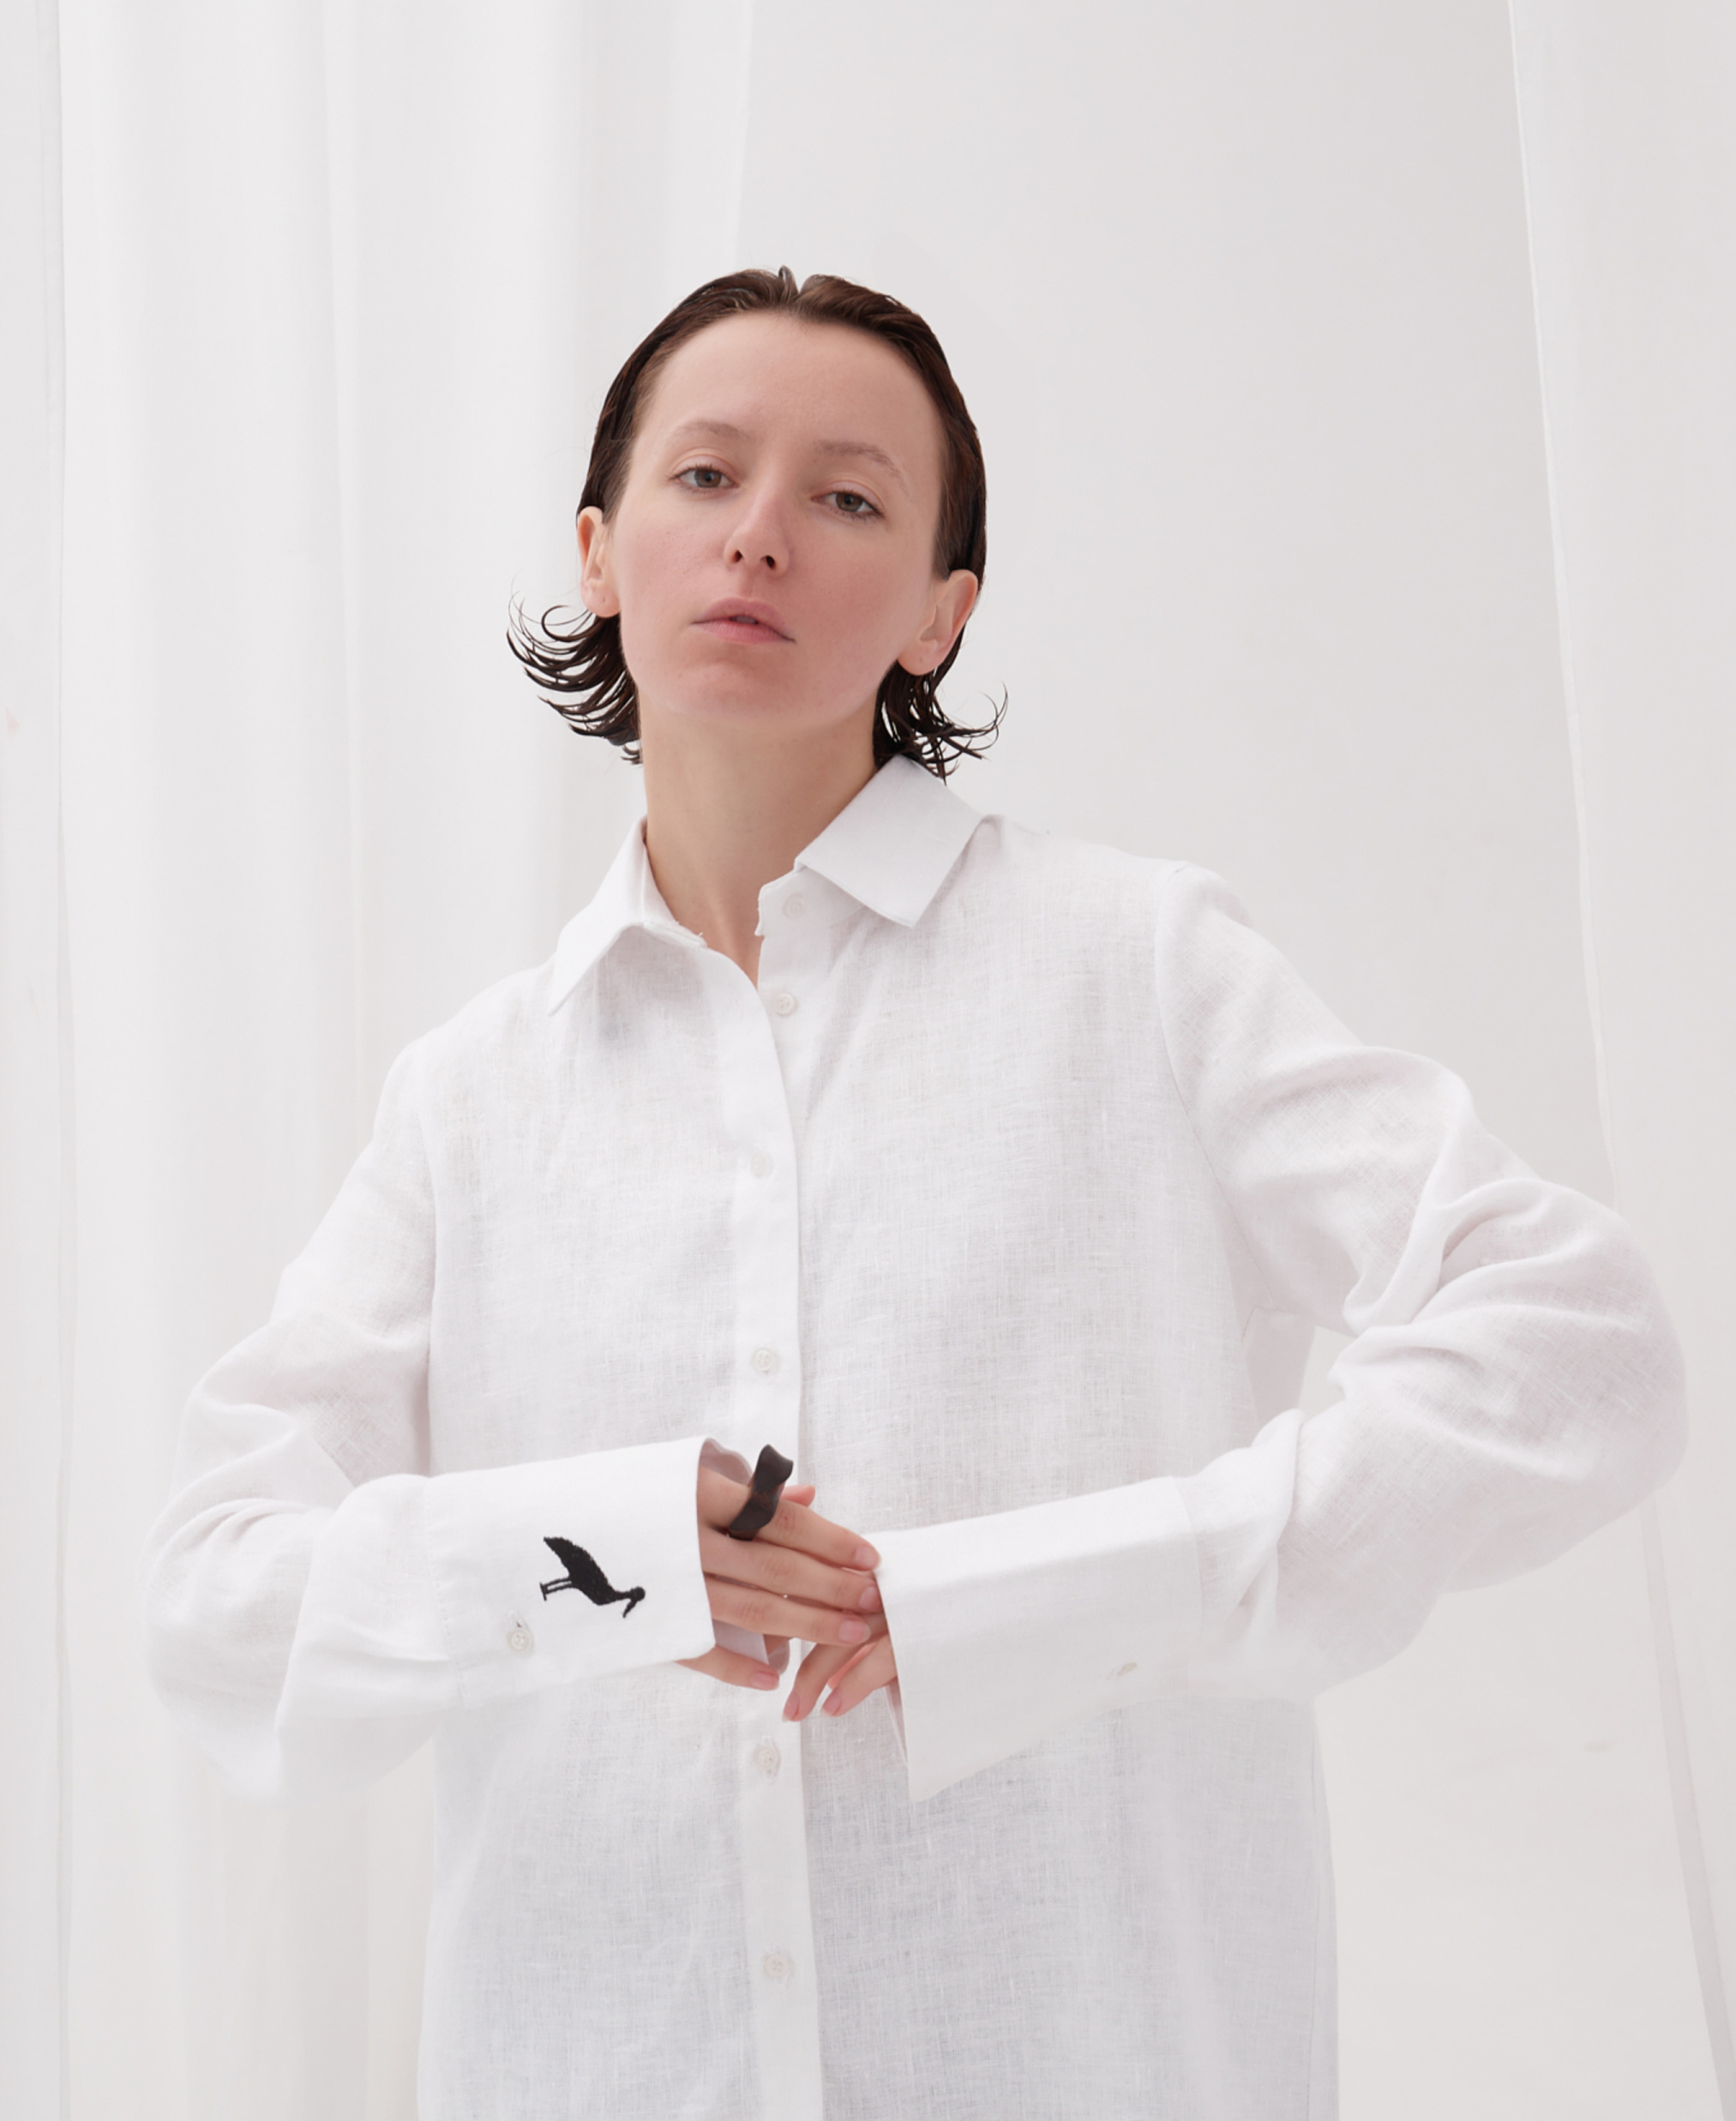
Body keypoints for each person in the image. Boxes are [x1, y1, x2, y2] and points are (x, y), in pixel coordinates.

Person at [145, 267, 1685, 2121]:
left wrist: (1059, 1593)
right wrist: (602, 1560)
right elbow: (216, 1602)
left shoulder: (1134, 966)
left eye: (848, 497)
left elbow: (1576, 1342)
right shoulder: (472, 1096)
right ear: (599, 552)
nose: (760, 536)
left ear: (941, 615)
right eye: (703, 475)